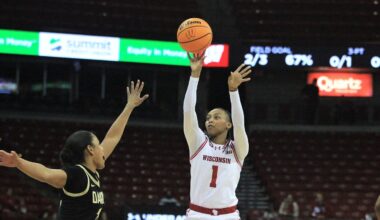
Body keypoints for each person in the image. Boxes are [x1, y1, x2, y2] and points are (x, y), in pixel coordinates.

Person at [0, 80, 149, 220]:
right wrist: (18, 163)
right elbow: (46, 174)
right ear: (90, 150)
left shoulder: (92, 172)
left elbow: (113, 137)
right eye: (99, 146)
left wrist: (129, 107)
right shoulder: (77, 174)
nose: (103, 150)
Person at [183, 53, 251, 219]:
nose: (210, 121)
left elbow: (240, 125)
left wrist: (233, 91)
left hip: (228, 215)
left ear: (229, 124)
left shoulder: (238, 149)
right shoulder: (198, 142)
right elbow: (188, 112)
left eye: (216, 117)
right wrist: (194, 76)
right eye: (208, 118)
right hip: (197, 214)